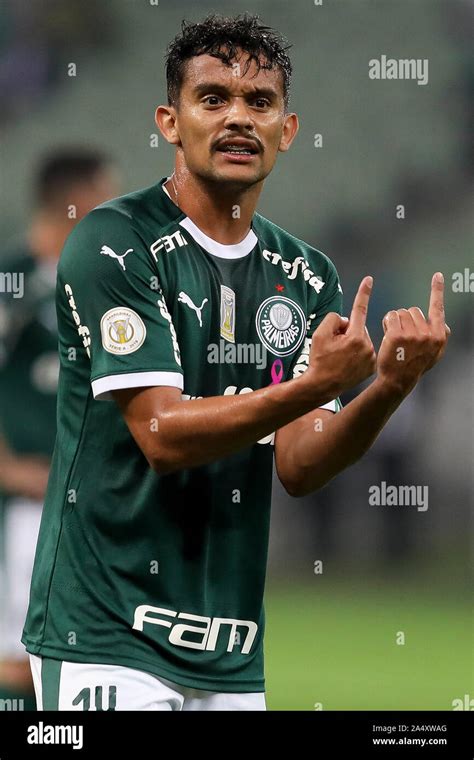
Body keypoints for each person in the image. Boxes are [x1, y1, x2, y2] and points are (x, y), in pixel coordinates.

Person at [22, 14, 449, 711]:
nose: (238, 118)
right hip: (103, 633)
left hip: (229, 652)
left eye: (260, 102)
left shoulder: (306, 275)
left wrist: (389, 388)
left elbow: (300, 464)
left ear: (287, 128)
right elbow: (161, 436)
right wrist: (312, 383)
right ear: (169, 120)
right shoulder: (112, 243)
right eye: (213, 98)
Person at [0, 148, 119, 709]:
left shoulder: (95, 284)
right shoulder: (13, 283)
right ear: (75, 203)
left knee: (77, 660)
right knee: (20, 660)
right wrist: (7, 467)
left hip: (85, 503)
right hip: (23, 509)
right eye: (104, 195)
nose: (115, 207)